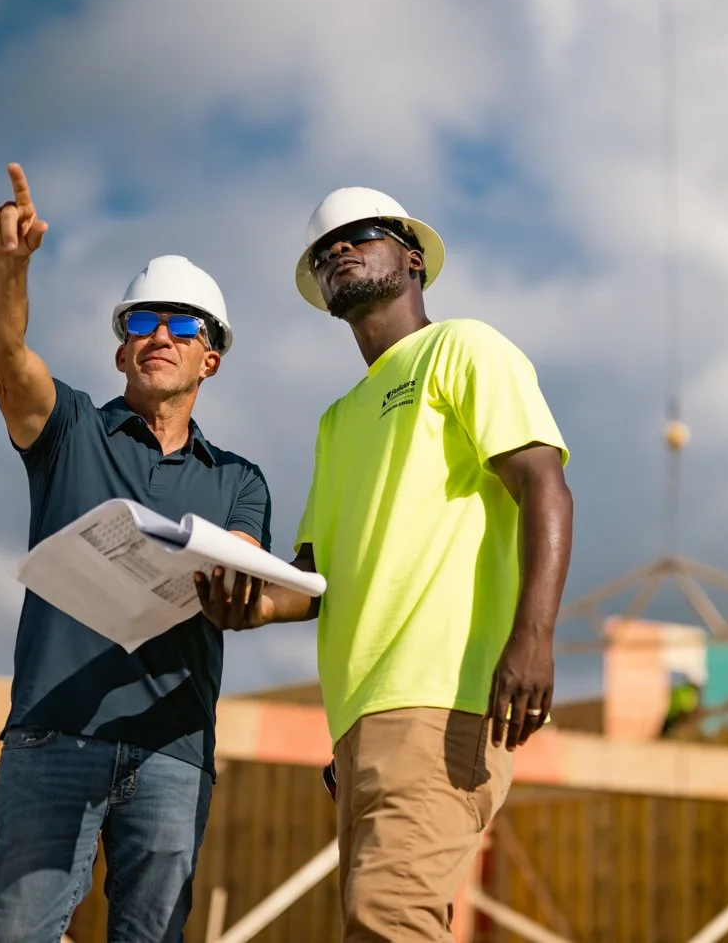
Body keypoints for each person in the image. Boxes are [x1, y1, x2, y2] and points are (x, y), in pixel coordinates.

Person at [205, 185, 573, 940]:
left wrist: (532, 637)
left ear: (413, 260)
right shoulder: (338, 419)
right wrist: (240, 597)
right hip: (362, 723)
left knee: (387, 920)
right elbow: (311, 584)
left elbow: (545, 486)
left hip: (443, 700)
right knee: (377, 921)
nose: (337, 249)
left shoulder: (463, 348)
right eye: (323, 248)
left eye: (360, 234)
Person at [0, 164, 295, 943]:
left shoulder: (239, 480)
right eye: (144, 321)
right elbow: (5, 356)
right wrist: (10, 265)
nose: (161, 336)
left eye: (184, 326)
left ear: (209, 358)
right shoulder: (71, 432)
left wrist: (243, 599)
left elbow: (248, 578)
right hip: (54, 734)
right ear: (121, 351)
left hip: (172, 749)